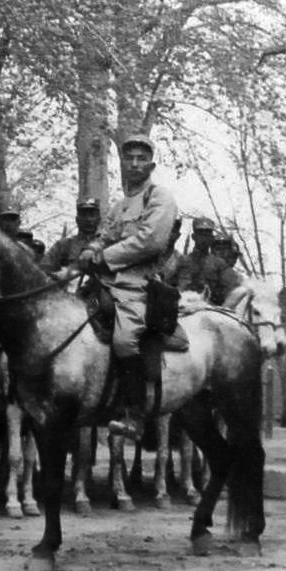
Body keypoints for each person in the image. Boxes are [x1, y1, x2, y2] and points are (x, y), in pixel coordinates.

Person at [78, 133, 178, 441]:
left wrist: (104, 256)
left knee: (124, 341)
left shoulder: (159, 197)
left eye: (141, 158)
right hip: (105, 284)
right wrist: (90, 249)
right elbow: (105, 234)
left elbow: (151, 240)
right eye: (129, 158)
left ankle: (135, 416)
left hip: (139, 286)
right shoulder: (120, 206)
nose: (134, 163)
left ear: (151, 164)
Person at [171, 217, 236, 305]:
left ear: (212, 238)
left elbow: (230, 289)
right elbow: (169, 284)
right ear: (194, 237)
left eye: (207, 235)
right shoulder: (181, 261)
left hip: (209, 309)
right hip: (182, 307)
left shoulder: (219, 264)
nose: (204, 239)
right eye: (201, 234)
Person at [43, 198, 103, 278]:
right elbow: (44, 271)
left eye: (92, 215)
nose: (88, 219)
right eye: (84, 215)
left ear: (99, 219)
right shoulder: (63, 245)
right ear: (77, 220)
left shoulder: (107, 244)